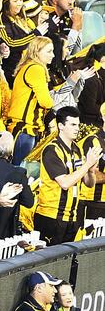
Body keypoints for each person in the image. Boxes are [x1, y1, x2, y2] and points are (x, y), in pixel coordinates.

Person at [36, 105, 102, 244]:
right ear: (60, 126)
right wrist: (86, 165)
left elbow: (89, 183)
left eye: (78, 125)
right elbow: (64, 183)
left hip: (72, 216)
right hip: (51, 217)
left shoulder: (77, 150)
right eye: (72, 124)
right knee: (51, 262)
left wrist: (90, 170)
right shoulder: (52, 150)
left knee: (69, 262)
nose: (77, 128)